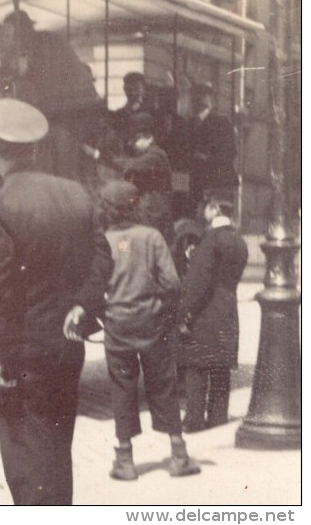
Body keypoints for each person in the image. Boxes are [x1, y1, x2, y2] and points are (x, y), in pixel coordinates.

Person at [0, 98, 112, 505]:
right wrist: (84, 305)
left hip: (22, 356)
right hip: (67, 350)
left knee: (25, 462)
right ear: (34, 150)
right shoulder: (76, 194)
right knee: (56, 450)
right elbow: (103, 258)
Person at [70, 180, 200, 481]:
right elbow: (172, 283)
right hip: (152, 323)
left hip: (117, 326)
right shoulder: (151, 237)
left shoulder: (102, 241)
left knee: (122, 388)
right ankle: (178, 455)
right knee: (163, 383)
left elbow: (94, 284)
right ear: (135, 205)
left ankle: (125, 460)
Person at [0, 9, 103, 182]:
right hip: (71, 108)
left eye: (13, 34)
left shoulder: (44, 44)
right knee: (60, 153)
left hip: (71, 109)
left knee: (60, 155)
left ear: (22, 30)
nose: (14, 39)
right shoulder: (44, 40)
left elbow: (44, 83)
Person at [177, 189, 248, 433]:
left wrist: (185, 314)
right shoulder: (239, 241)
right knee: (220, 367)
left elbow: (199, 283)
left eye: (206, 206)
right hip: (228, 311)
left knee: (196, 366)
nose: (202, 210)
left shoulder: (210, 240)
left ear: (215, 208)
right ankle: (218, 418)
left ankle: (194, 420)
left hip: (205, 313)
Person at [85, 112, 174, 241]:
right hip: (148, 208)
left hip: (154, 211)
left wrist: (100, 155)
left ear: (149, 138)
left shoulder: (156, 155)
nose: (133, 144)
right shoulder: (146, 155)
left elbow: (130, 165)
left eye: (137, 139)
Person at [187, 83, 238, 217]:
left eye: (202, 96)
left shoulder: (221, 123)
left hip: (218, 183)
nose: (197, 100)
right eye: (194, 96)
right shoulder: (188, 124)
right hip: (196, 184)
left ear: (210, 100)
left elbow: (230, 152)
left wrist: (207, 158)